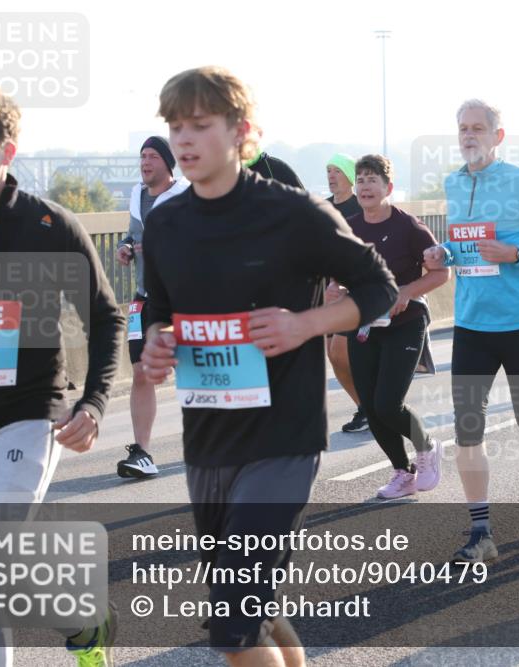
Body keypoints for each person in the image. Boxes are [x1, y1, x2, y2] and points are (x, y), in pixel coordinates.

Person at [140, 66, 397, 667]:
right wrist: (156, 342)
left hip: (284, 434)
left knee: (232, 619)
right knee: (255, 604)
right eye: (176, 126)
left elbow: (379, 287)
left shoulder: (293, 214)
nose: (184, 139)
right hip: (207, 437)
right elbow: (159, 310)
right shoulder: (166, 223)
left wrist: (304, 324)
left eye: (200, 125)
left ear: (241, 132)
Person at [0, 81, 124, 667]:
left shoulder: (49, 226)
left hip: (22, 418)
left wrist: (93, 404)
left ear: (6, 151)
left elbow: (105, 317)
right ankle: (85, 618)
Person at [423, 99, 519, 563]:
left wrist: (514, 255)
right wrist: (444, 253)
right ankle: (480, 531)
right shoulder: (453, 182)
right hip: (472, 324)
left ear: (497, 136)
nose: (469, 136)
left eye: (478, 129)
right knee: (468, 427)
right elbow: (465, 243)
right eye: (462, 129)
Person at [333, 154, 449, 498]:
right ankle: (403, 472)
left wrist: (406, 292)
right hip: (366, 324)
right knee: (370, 405)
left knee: (387, 404)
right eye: (361, 180)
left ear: (389, 187)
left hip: (406, 322)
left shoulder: (409, 227)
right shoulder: (350, 227)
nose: (365, 186)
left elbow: (441, 273)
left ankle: (427, 446)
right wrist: (335, 287)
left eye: (373, 180)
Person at [115, 136, 190, 479]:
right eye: (142, 156)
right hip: (144, 298)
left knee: (194, 373)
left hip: (182, 300)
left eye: (152, 156)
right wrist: (126, 247)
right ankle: (142, 452)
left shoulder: (185, 196)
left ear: (167, 162)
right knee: (141, 372)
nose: (145, 162)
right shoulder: (136, 194)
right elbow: (132, 234)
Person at [323, 152, 369, 432]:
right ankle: (365, 408)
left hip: (357, 288)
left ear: (350, 176)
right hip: (328, 290)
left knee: (340, 351)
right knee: (333, 355)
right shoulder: (323, 208)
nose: (331, 176)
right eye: (328, 171)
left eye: (336, 171)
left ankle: (374, 407)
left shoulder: (360, 205)